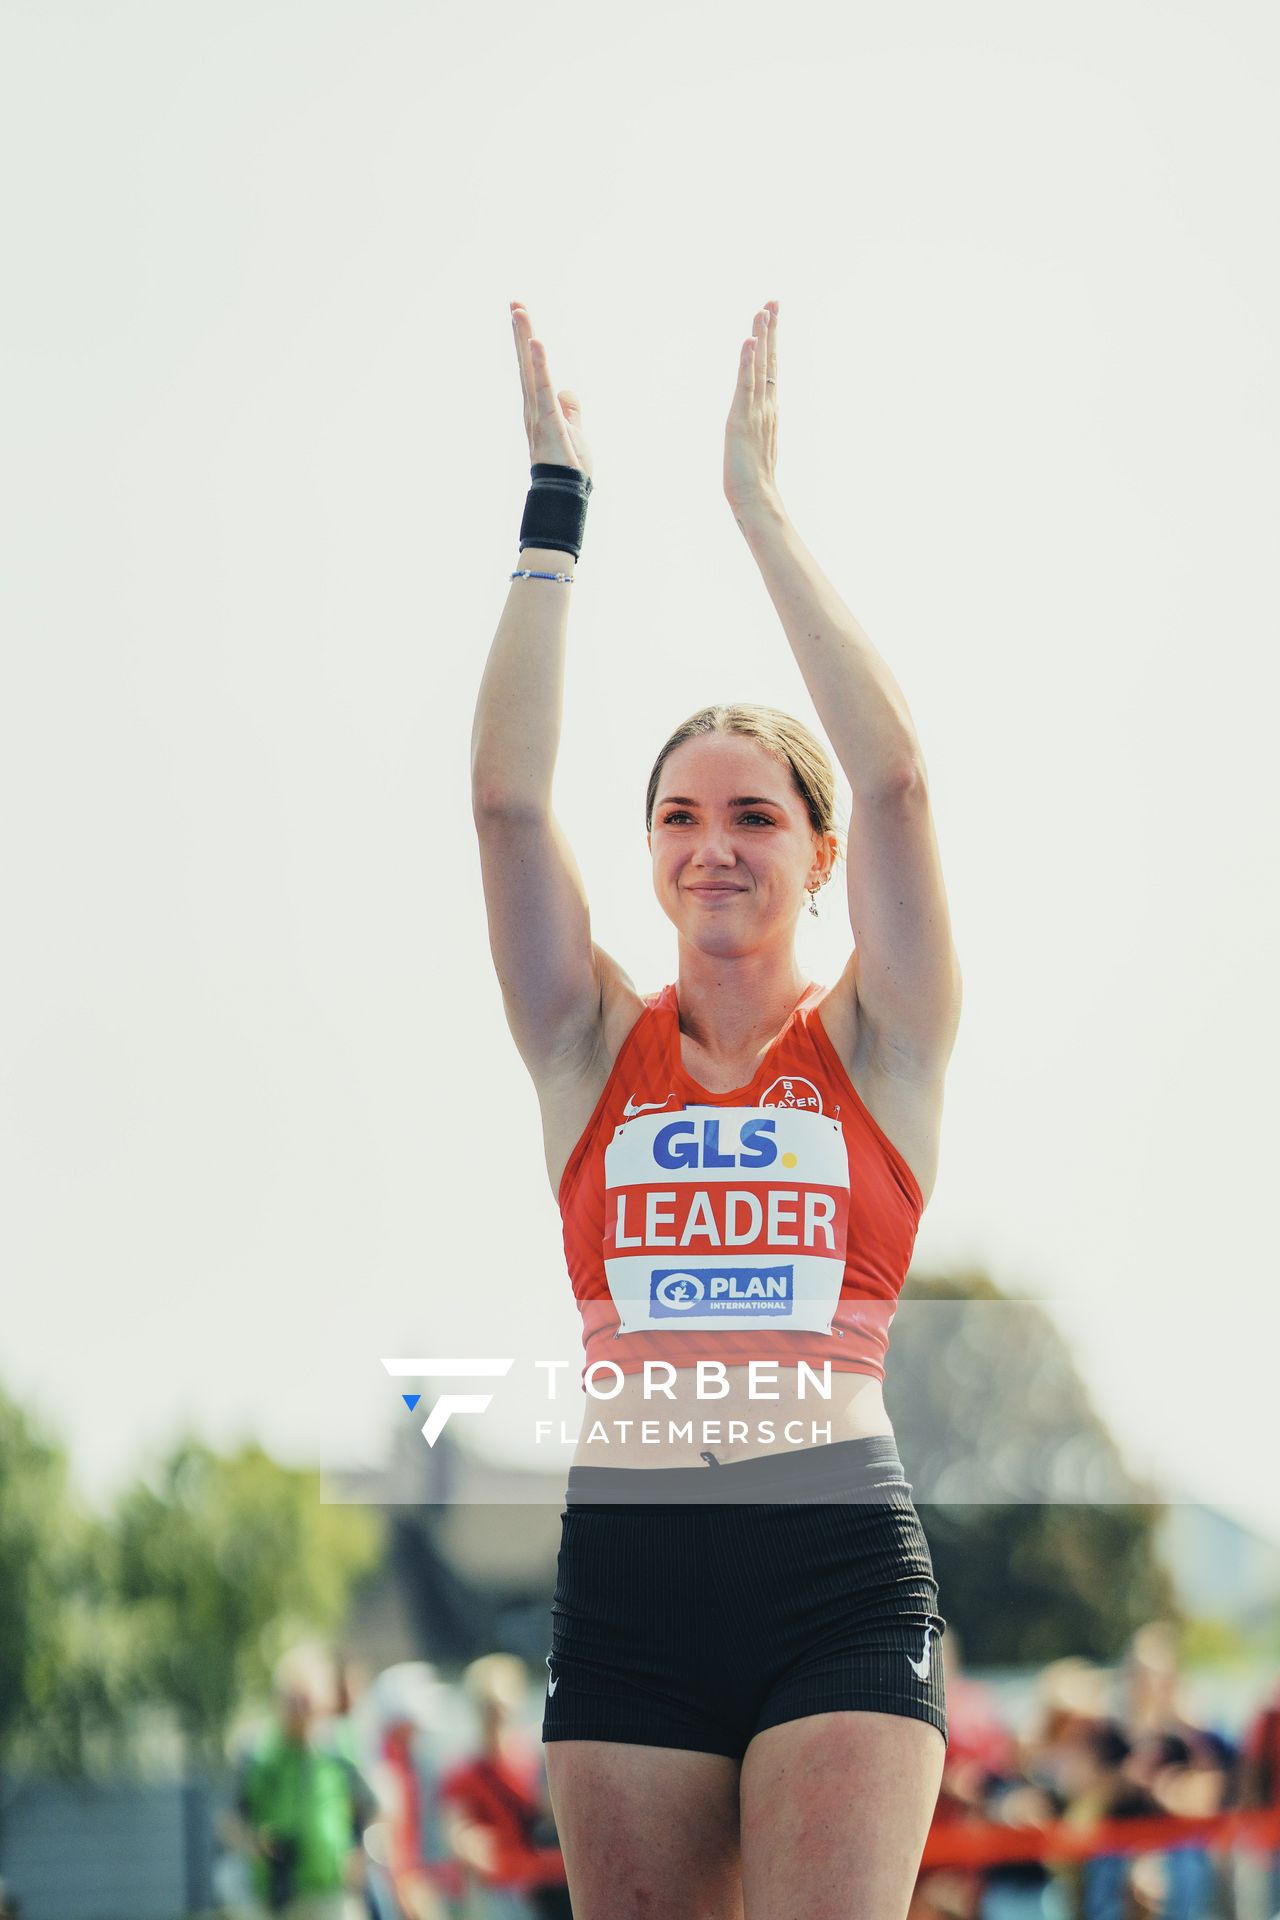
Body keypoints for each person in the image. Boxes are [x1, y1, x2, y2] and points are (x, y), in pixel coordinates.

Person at [471, 297, 963, 1919]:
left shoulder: (880, 1043)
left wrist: (758, 507)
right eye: (679, 815)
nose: (714, 844)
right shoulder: (583, 1044)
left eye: (757, 814)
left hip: (827, 1560)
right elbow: (502, 802)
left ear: (818, 860)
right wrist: (559, 510)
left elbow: (895, 782)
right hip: (629, 1574)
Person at [225, 1643, 382, 1920]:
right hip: (274, 1893)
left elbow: (374, 1809)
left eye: (308, 1702)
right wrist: (254, 1844)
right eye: (295, 1701)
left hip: (331, 1893)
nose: (302, 1713)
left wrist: (363, 1853)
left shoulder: (340, 1747)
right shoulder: (258, 1752)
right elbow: (231, 1819)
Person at [437, 1654, 570, 1918]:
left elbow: (557, 1811)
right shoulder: (464, 1772)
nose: (496, 1715)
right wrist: (466, 1844)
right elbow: (456, 1829)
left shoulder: (535, 1756)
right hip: (506, 1887)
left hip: (551, 1880)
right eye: (488, 1707)